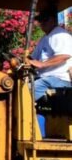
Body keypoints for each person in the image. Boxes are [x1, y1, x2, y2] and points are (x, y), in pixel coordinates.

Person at [28, 8, 72, 136]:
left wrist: (42, 64)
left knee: (25, 92)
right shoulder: (45, 39)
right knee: (20, 88)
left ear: (52, 20)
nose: (41, 24)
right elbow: (33, 59)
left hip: (59, 79)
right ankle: (37, 133)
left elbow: (65, 55)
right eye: (40, 21)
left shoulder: (60, 35)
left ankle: (31, 134)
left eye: (44, 21)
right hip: (47, 79)